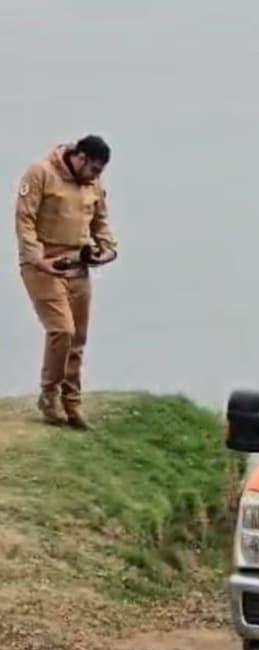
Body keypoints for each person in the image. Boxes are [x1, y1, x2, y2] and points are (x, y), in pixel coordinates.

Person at [13, 135, 117, 430]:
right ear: (79, 157)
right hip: (44, 266)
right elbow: (25, 220)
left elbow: (100, 221)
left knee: (78, 338)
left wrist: (106, 248)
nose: (96, 176)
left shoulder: (94, 184)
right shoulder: (41, 173)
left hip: (78, 266)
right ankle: (49, 395)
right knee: (62, 330)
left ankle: (72, 403)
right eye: (94, 168)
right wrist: (37, 258)